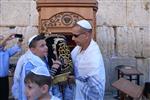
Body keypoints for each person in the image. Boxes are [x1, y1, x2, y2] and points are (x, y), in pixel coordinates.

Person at [12, 34, 61, 100]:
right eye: (42, 46)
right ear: (33, 50)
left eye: (45, 45)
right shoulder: (31, 64)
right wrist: (53, 70)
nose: (46, 47)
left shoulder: (44, 59)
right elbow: (37, 85)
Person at [70, 19, 106, 100]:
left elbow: (95, 90)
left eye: (75, 35)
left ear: (86, 35)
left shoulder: (93, 57)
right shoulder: (78, 48)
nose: (72, 38)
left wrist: (75, 81)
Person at [0, 34, 22, 100]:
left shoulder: (6, 51)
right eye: (1, 40)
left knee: (4, 96)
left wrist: (20, 40)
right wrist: (8, 37)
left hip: (4, 79)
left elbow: (16, 47)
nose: (5, 42)